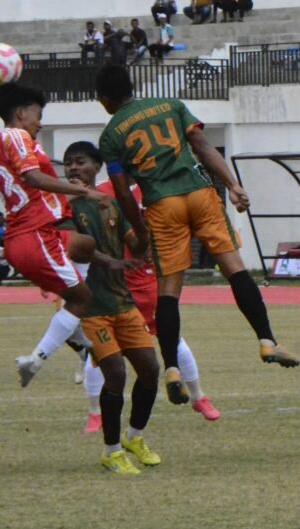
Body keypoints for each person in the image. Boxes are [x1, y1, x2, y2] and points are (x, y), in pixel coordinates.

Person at [95, 64, 300, 404]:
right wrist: (232, 185)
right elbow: (203, 146)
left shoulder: (110, 135)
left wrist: (140, 231)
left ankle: (173, 369)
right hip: (200, 194)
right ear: (131, 87)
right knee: (234, 269)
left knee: (168, 290)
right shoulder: (171, 105)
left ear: (104, 99)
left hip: (162, 204)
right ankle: (266, 340)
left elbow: (121, 191)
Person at [61, 141, 220, 431]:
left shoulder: (159, 190)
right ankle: (96, 413)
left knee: (171, 337)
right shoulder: (104, 192)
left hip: (148, 278)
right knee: (103, 354)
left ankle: (198, 396)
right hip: (113, 282)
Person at [0, 83, 108, 387]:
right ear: (21, 113)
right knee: (82, 298)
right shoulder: (16, 136)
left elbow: (31, 184)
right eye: (37, 115)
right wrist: (82, 191)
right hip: (34, 237)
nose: (39, 123)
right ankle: (36, 359)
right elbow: (33, 178)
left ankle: (78, 337)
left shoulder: (6, 142)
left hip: (34, 235)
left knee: (85, 246)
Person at [63, 143, 162, 475]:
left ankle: (134, 437)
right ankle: (111, 451)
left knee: (150, 370)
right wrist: (114, 262)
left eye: (80, 162)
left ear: (97, 167)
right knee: (116, 374)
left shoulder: (112, 204)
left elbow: (136, 244)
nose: (73, 168)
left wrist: (147, 228)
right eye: (68, 164)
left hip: (123, 302)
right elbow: (77, 250)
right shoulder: (64, 208)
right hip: (91, 307)